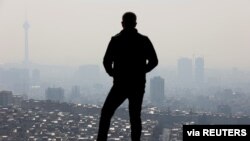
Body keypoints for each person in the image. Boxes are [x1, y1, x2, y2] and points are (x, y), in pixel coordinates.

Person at [97, 12, 158, 141]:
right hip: (137, 84)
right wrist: (141, 71)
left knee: (106, 113)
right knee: (135, 117)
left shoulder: (116, 40)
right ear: (135, 23)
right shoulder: (143, 40)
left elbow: (106, 61)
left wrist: (113, 73)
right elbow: (154, 61)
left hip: (120, 84)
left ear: (122, 23)